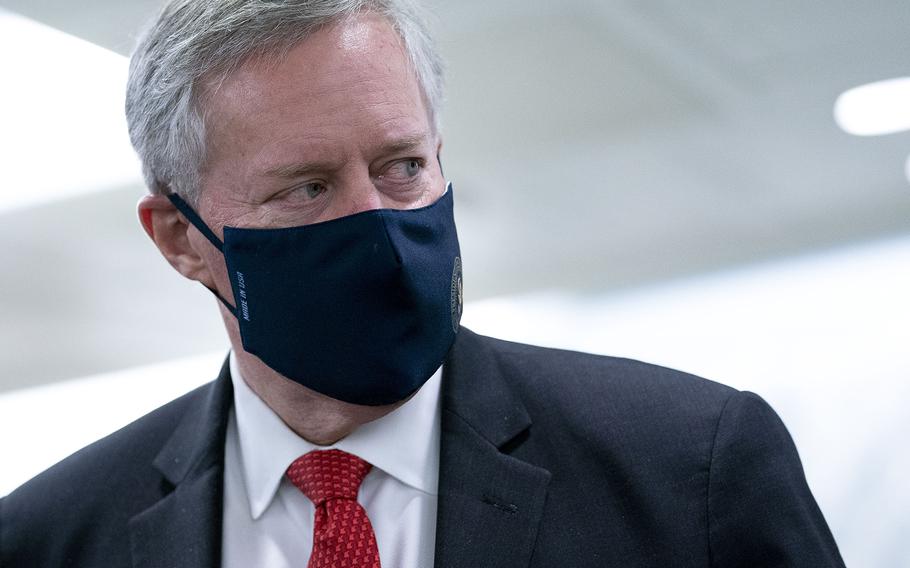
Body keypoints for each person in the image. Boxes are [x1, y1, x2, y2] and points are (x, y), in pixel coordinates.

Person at [0, 1, 846, 566]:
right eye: (307, 188)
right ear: (182, 239)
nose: (379, 224)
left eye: (402, 166)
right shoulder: (49, 538)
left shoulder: (688, 466)